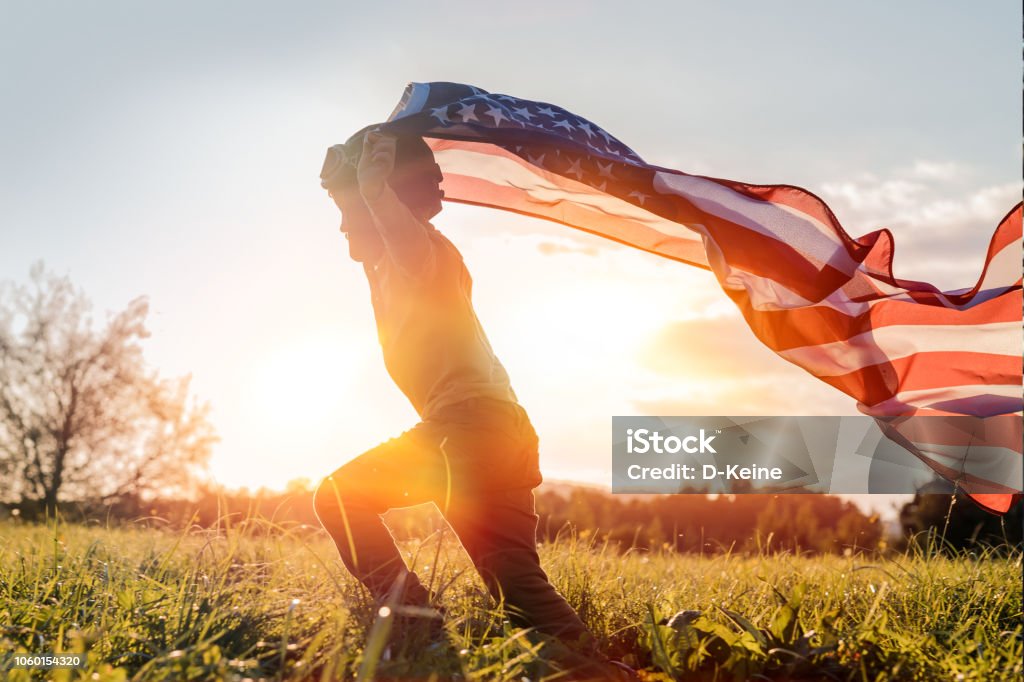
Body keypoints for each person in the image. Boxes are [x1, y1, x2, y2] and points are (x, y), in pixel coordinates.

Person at [313, 127, 634, 679]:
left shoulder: (423, 256)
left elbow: (403, 237)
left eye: (354, 209)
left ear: (388, 200)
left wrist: (371, 190)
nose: (343, 224)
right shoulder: (387, 268)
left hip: (468, 430)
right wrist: (353, 184)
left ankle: (418, 627)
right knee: (518, 589)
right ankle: (601, 670)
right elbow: (381, 234)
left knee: (339, 498)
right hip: (502, 432)